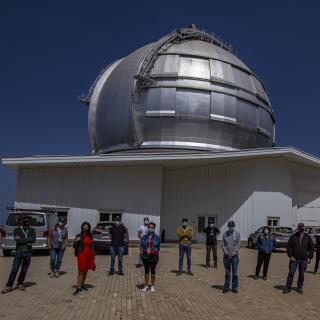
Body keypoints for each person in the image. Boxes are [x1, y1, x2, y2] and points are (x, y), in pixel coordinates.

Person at [1, 216, 36, 294]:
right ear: (22, 223)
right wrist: (28, 239)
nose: (26, 226)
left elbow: (33, 240)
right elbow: (18, 241)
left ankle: (20, 283)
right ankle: (9, 285)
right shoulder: (16, 230)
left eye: (27, 225)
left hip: (28, 252)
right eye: (25, 225)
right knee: (14, 269)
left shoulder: (32, 230)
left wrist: (26, 240)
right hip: (19, 252)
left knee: (24, 270)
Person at [283, 223, 314, 294]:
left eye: (302, 227)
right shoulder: (293, 236)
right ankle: (288, 287)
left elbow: (311, 248)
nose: (301, 228)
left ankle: (299, 287)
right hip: (294, 259)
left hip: (304, 259)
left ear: (304, 228)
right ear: (298, 228)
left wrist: (310, 257)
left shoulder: (308, 237)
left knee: (302, 274)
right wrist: (290, 256)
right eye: (300, 227)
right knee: (291, 273)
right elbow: (289, 247)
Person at [73, 222, 96, 296]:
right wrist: (76, 241)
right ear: (82, 227)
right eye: (84, 227)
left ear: (89, 228)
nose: (85, 228)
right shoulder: (79, 235)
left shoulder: (90, 235)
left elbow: (92, 246)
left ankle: (82, 285)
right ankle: (78, 287)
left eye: (87, 227)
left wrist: (94, 254)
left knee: (86, 270)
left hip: (89, 254)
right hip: (82, 254)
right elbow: (74, 246)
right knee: (81, 271)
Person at [221, 220, 241, 293]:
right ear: (228, 227)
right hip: (226, 256)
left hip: (234, 256)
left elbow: (238, 245)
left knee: (235, 273)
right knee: (227, 272)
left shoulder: (237, 234)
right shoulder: (225, 234)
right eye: (229, 226)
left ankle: (234, 287)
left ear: (234, 226)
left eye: (232, 226)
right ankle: (226, 287)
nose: (231, 227)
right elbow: (223, 244)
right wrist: (226, 253)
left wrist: (232, 253)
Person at [141, 222, 161, 292]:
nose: (150, 228)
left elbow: (158, 247)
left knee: (153, 271)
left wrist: (152, 250)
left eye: (152, 227)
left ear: (154, 228)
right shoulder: (144, 237)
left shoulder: (157, 237)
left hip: (154, 256)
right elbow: (143, 246)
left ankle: (152, 285)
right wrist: (146, 249)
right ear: (147, 228)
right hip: (145, 256)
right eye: (149, 227)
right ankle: (146, 285)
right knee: (146, 271)